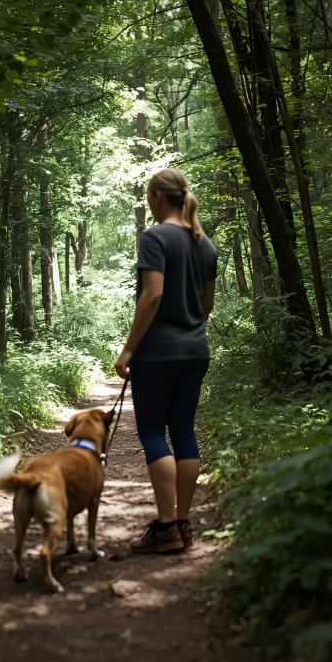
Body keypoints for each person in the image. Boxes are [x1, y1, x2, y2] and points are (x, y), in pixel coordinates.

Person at [113, 168, 217, 554]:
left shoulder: (154, 237)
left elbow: (152, 295)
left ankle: (166, 526)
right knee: (184, 430)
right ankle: (183, 525)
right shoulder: (205, 244)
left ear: (158, 196)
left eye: (147, 196)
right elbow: (206, 306)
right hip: (196, 350)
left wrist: (128, 349)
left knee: (154, 432)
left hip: (158, 352)